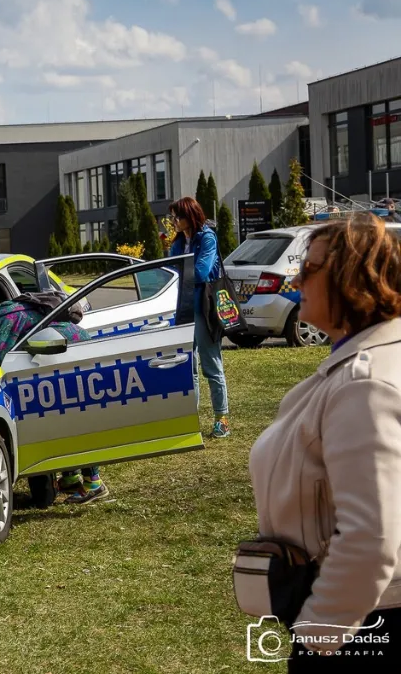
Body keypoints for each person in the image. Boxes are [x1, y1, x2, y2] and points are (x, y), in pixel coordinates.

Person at [249, 214, 401, 671]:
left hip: (363, 623)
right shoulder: (367, 363)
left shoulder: (363, 383)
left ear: (353, 279)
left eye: (309, 268)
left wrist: (319, 631)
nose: (297, 280)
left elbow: (370, 535)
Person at [0, 284, 105, 503]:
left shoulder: (0, 320)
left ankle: (94, 483)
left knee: (75, 418)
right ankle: (70, 477)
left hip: (70, 352)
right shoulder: (8, 311)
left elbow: (1, 363)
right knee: (62, 417)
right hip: (66, 349)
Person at [169, 197, 230, 438]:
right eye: (172, 217)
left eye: (177, 216)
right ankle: (190, 420)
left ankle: (222, 419)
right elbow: (169, 271)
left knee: (210, 364)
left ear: (190, 216)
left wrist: (180, 273)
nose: (173, 221)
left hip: (203, 307)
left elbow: (201, 272)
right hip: (183, 309)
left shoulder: (207, 238)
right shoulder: (178, 242)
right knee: (188, 366)